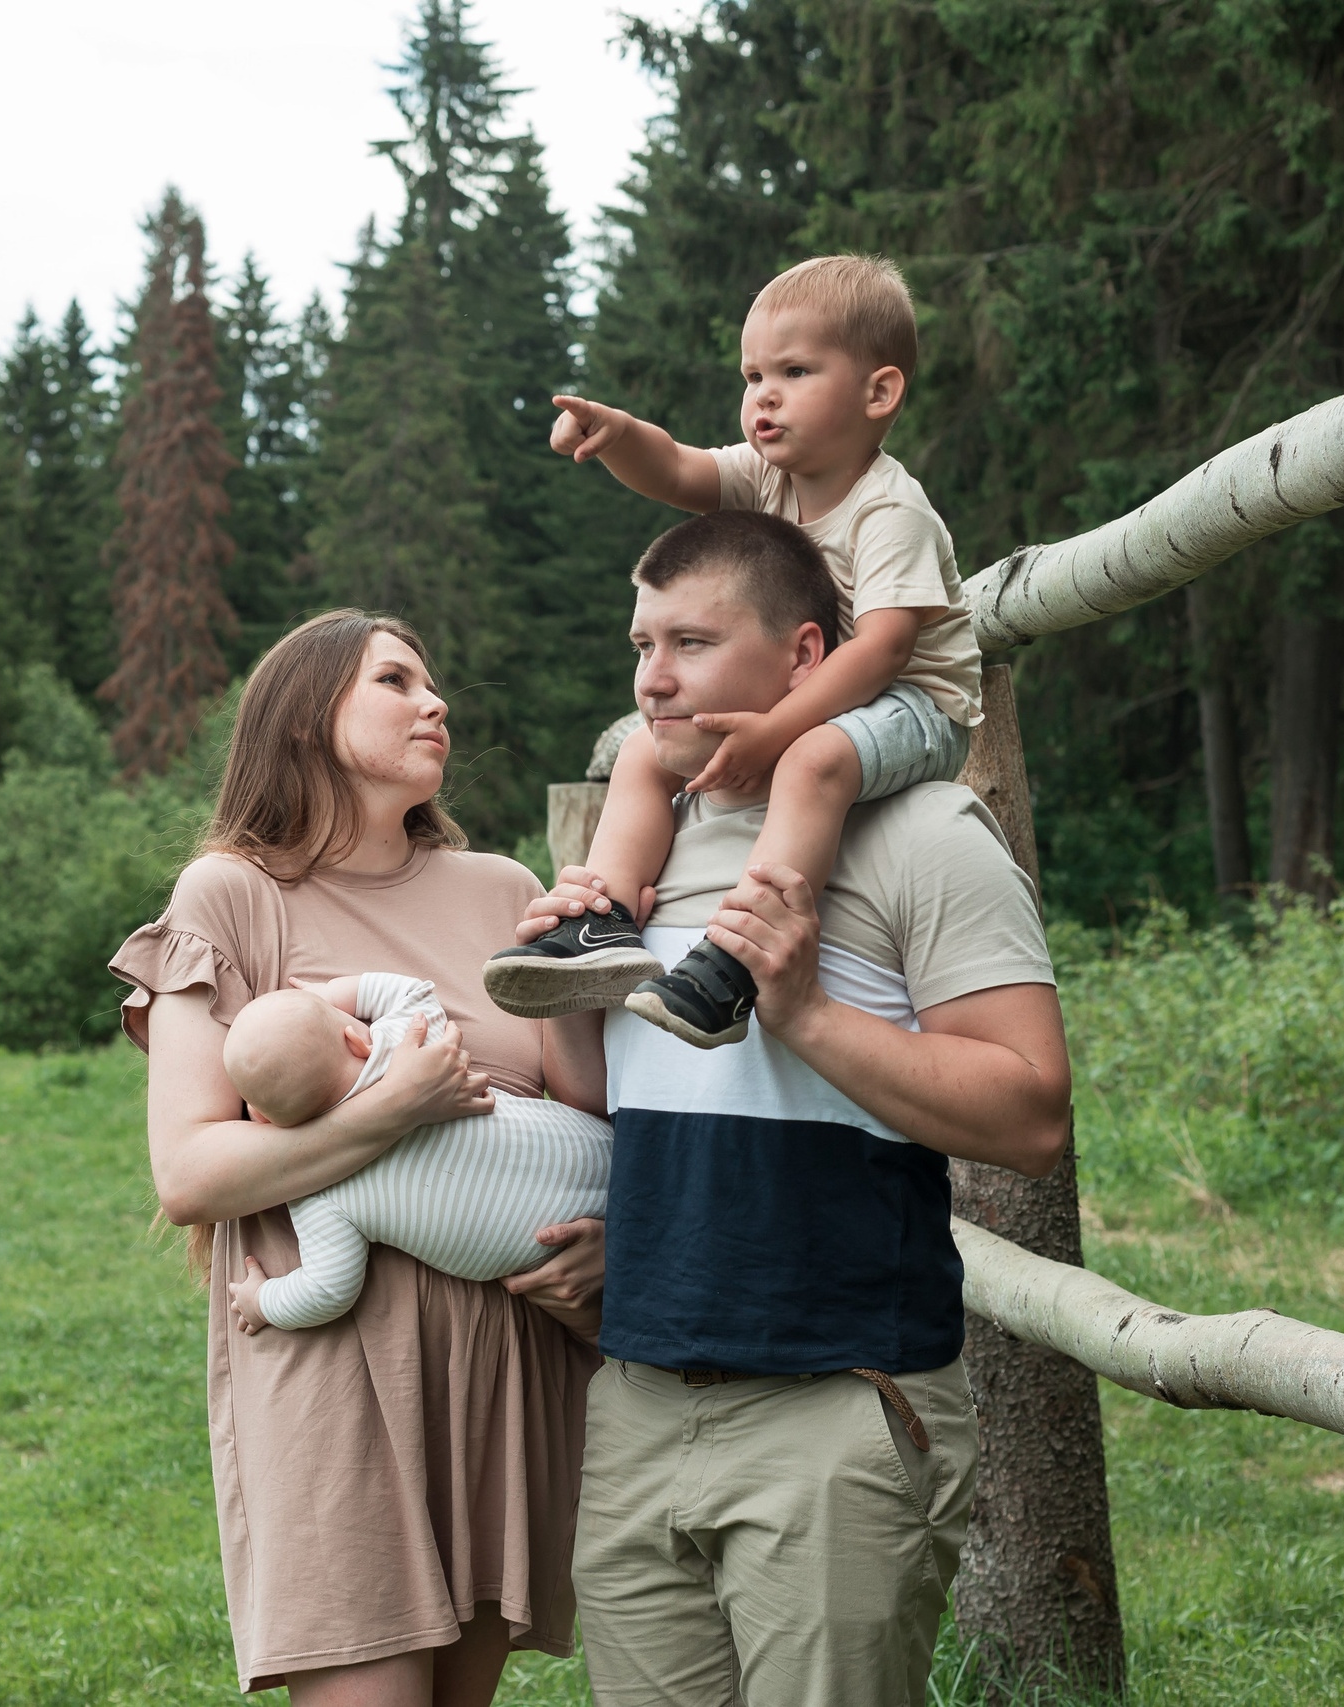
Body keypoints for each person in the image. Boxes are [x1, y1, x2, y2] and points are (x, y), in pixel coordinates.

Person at [515, 513, 1072, 1707]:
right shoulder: (643, 845)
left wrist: (806, 1009)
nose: (651, 678)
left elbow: (1031, 1117)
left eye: (692, 642)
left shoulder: (923, 833)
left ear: (806, 654)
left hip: (836, 1409)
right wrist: (571, 990)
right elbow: (616, 1101)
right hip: (638, 1404)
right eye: (640, 642)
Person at [108, 610, 607, 1705]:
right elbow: (189, 1172)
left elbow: (588, 1112)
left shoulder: (498, 888)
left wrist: (571, 960)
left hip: (502, 1360)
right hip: (334, 1367)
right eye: (395, 681)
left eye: (433, 684)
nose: (435, 704)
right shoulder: (231, 894)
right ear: (303, 721)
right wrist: (383, 1119)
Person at [484, 253, 984, 1050]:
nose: (764, 396)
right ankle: (602, 918)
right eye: (753, 377)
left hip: (919, 708)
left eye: (794, 370)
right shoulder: (767, 475)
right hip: (817, 689)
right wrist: (619, 436)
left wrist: (777, 727)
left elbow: (887, 649)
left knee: (813, 760)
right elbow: (681, 469)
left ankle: (736, 962)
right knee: (649, 750)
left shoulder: (891, 510)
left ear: (878, 392)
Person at [217, 972, 612, 1335]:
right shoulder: (405, 1048)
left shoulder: (313, 1185)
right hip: (601, 1155)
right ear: (354, 1038)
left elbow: (327, 1290)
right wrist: (329, 994)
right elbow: (412, 991)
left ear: (261, 1119)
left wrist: (262, 1302)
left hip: (556, 1246)